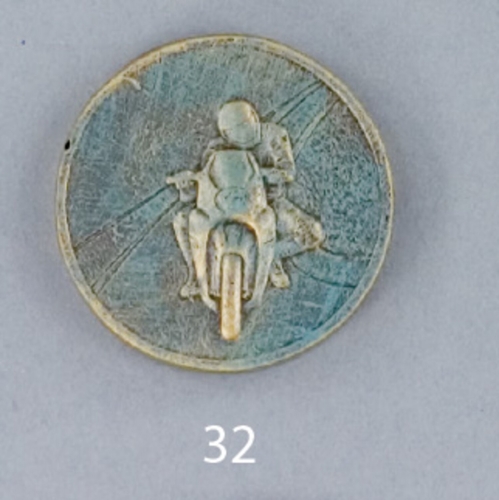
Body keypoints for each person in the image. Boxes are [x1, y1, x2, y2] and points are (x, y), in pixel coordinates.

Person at [169, 100, 324, 299]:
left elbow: (287, 172)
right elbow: (203, 186)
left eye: (247, 121)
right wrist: (187, 186)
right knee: (182, 221)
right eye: (237, 129)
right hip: (222, 204)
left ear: (254, 116)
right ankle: (195, 276)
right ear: (226, 134)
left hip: (268, 202)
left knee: (312, 233)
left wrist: (267, 174)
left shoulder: (274, 136)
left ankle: (273, 255)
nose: (245, 131)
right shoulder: (217, 148)